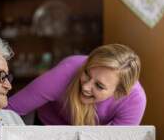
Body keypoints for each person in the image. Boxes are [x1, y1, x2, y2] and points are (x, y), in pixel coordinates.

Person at [8, 44, 146, 126]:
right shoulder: (67, 71)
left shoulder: (134, 100)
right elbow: (9, 110)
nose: (86, 87)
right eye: (86, 73)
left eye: (99, 86)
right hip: (48, 127)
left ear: (119, 93)